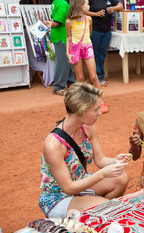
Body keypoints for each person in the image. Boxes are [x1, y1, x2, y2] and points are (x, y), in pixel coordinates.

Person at [39, 82, 129, 218]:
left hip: (81, 184)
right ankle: (95, 216)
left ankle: (93, 217)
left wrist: (114, 161)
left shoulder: (87, 128)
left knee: (121, 178)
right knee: (107, 207)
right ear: (79, 110)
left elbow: (100, 160)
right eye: (95, 109)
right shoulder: (54, 144)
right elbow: (68, 187)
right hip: (59, 197)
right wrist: (103, 174)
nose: (100, 113)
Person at [66, 0, 109, 114]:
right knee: (79, 78)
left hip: (87, 47)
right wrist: (68, 53)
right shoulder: (69, 22)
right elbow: (68, 38)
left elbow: (88, 34)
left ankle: (101, 102)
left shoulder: (88, 19)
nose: (89, 6)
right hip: (76, 50)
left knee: (94, 77)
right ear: (80, 6)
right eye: (87, 4)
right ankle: (81, 104)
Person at [85, 0, 123, 87]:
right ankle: (96, 77)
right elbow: (83, 11)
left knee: (102, 54)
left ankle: (99, 76)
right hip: (95, 30)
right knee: (95, 54)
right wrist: (95, 14)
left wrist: (113, 9)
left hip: (107, 31)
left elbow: (120, 5)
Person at [45, 0, 76, 96]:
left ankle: (72, 83)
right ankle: (58, 87)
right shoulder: (63, 4)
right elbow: (57, 21)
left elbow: (55, 20)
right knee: (63, 62)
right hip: (62, 36)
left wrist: (50, 23)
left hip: (59, 35)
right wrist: (51, 24)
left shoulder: (56, 1)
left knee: (68, 61)